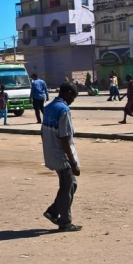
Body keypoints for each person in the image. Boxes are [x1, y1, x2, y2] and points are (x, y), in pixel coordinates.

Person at [41, 83, 82, 232]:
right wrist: (73, 162)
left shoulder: (48, 107)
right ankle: (65, 221)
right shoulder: (64, 110)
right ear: (68, 93)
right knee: (67, 186)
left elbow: (42, 132)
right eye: (73, 97)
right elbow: (65, 138)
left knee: (71, 184)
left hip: (51, 152)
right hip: (61, 155)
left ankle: (53, 211)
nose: (72, 101)